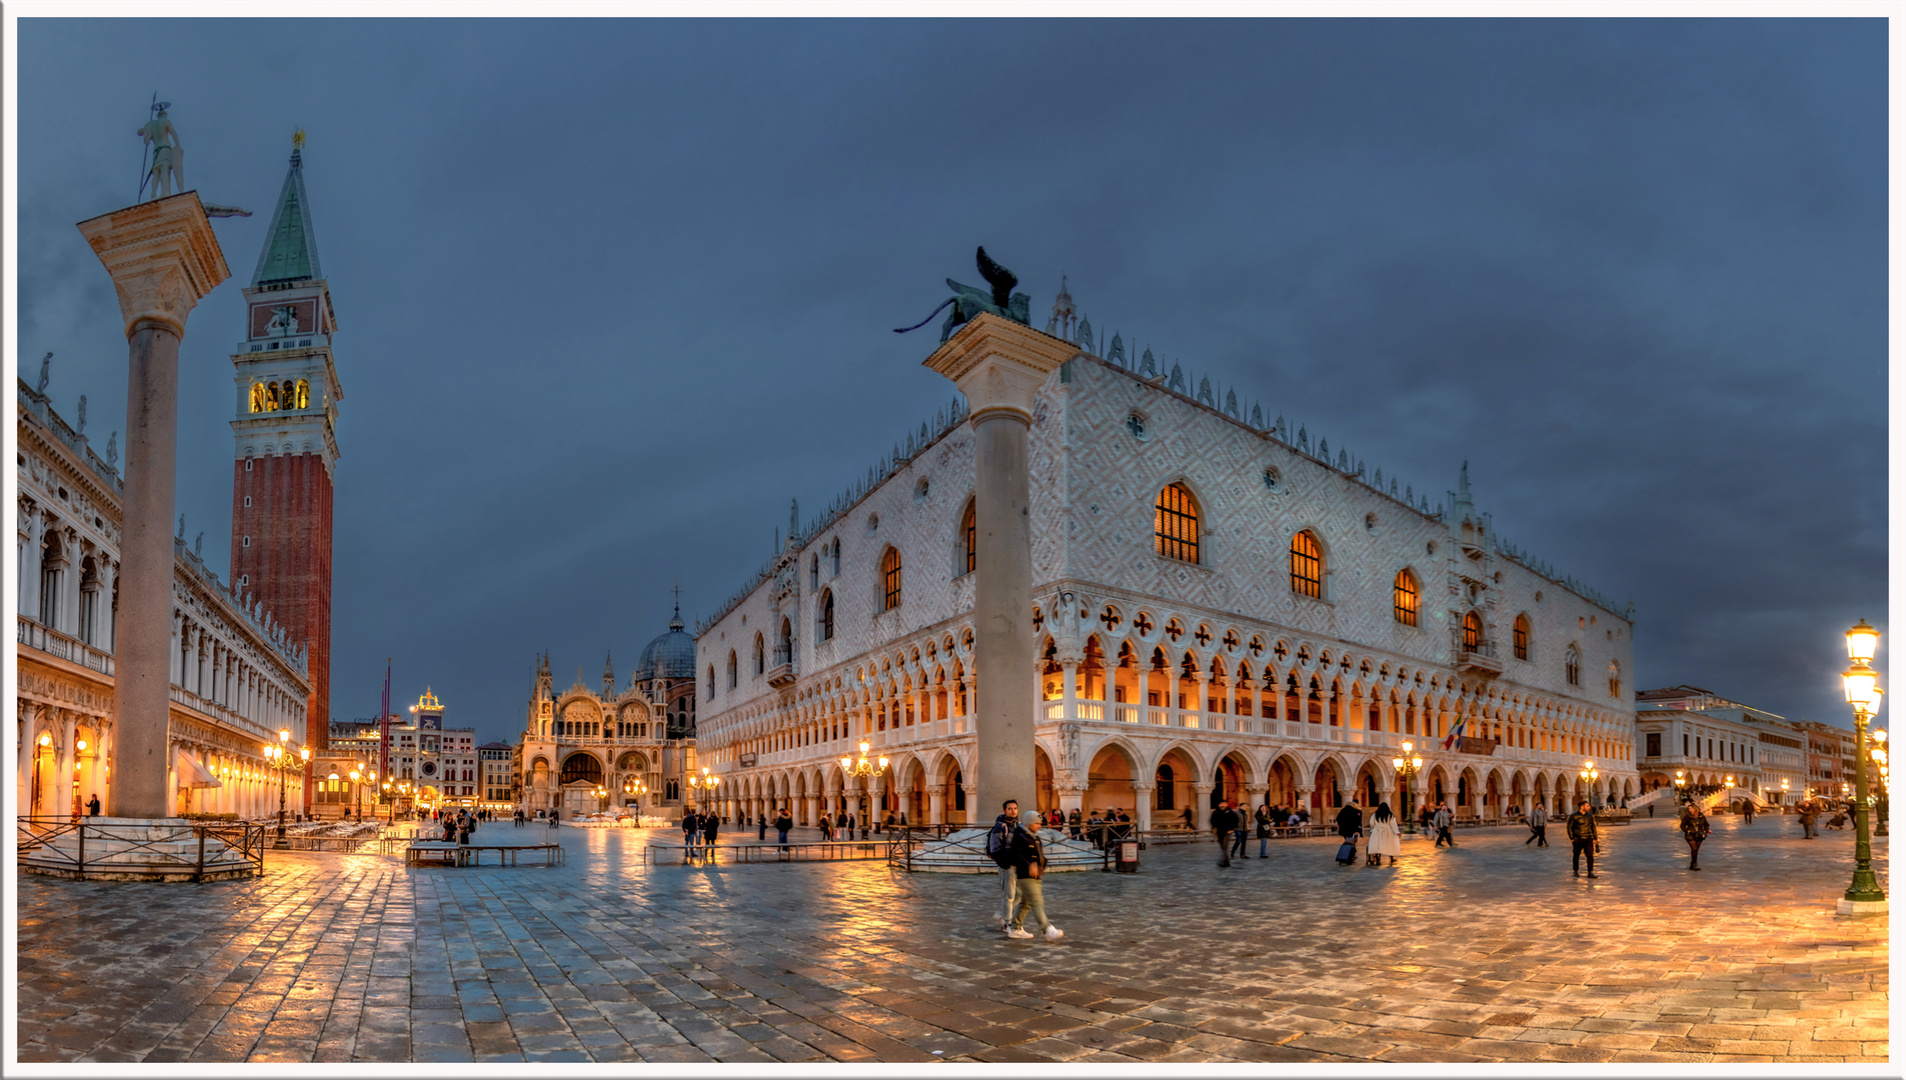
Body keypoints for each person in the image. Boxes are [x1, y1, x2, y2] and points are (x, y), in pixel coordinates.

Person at [1004, 810, 1062, 941]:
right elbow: (1015, 855)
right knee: (1037, 902)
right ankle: (1047, 929)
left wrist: (1041, 864)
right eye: (1037, 823)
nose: (1039, 826)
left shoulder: (1032, 835)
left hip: (1036, 874)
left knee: (1026, 903)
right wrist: (1029, 864)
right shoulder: (1020, 836)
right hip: (1026, 874)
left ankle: (1015, 928)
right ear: (1029, 823)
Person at [988, 799, 1022, 927]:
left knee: (1019, 894)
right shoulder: (1000, 826)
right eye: (1010, 809)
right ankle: (1008, 924)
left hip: (1018, 865)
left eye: (1015, 808)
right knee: (1009, 896)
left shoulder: (1019, 825)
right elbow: (995, 847)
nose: (1013, 811)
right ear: (1004, 810)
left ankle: (1003, 913)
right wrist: (1004, 864)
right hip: (1007, 865)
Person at [1567, 799, 1599, 878]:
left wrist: (1596, 838)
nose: (1589, 807)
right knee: (1576, 855)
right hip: (1578, 839)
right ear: (1582, 807)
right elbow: (1569, 827)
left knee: (1590, 856)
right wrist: (1572, 838)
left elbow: (1593, 827)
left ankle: (1590, 872)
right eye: (1587, 806)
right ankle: (1575, 871)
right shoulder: (1573, 816)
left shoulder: (1590, 816)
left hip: (1588, 838)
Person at [1367, 801, 1401, 866]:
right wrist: (1397, 832)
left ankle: (1378, 860)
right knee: (1390, 845)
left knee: (1378, 846)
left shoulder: (1375, 814)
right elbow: (1393, 824)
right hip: (1388, 832)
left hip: (1377, 831)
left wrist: (1373, 829)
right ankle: (1391, 859)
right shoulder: (1390, 815)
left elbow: (1371, 823)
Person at [1211, 799, 1241, 869]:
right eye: (1221, 804)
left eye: (1224, 803)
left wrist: (1232, 829)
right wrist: (1214, 827)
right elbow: (1212, 820)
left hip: (1228, 832)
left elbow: (1236, 820)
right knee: (1222, 846)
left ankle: (1224, 861)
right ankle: (1226, 861)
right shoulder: (1216, 812)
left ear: (1226, 804)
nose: (1222, 805)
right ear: (1219, 805)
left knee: (1225, 846)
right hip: (1219, 832)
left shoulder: (1230, 812)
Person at [1679, 803, 1710, 871]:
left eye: (1691, 808)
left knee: (1696, 850)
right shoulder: (1687, 817)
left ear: (1695, 808)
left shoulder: (1701, 816)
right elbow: (1682, 826)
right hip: (1690, 835)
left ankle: (1692, 864)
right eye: (1689, 809)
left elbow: (1706, 824)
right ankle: (1694, 865)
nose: (1690, 810)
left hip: (1699, 834)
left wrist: (1705, 830)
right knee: (1694, 848)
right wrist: (1687, 830)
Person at [1335, 798, 1364, 865]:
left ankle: (1346, 857)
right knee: (1352, 844)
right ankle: (1349, 857)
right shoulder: (1357, 810)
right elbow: (1358, 821)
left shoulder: (1344, 809)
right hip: (1353, 831)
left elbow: (1338, 819)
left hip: (1345, 830)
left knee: (1348, 842)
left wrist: (1342, 826)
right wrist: (1358, 830)